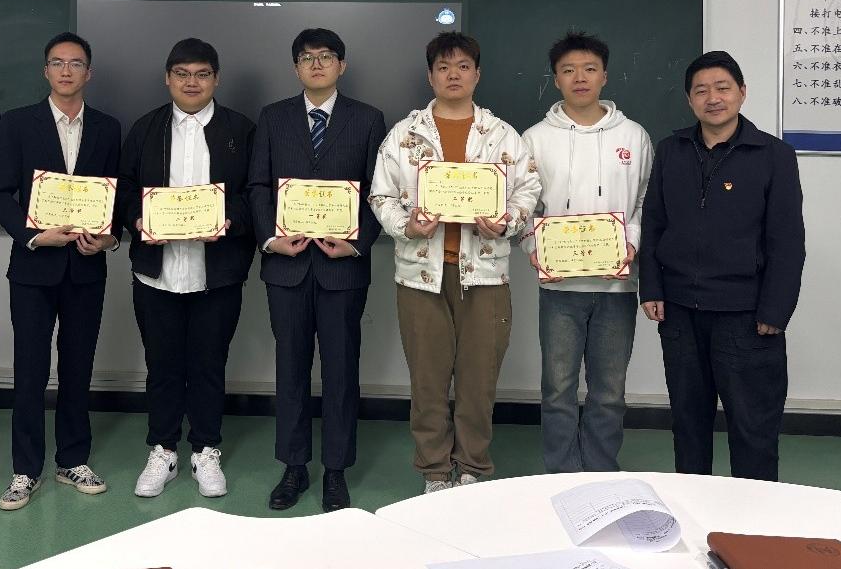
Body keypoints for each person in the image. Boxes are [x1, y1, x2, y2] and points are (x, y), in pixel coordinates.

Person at [369, 31, 540, 494]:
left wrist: (506, 221)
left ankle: (472, 467)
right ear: (430, 76)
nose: (453, 75)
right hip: (420, 275)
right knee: (427, 380)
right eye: (443, 67)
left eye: (463, 66)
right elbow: (381, 195)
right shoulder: (405, 135)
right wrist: (407, 225)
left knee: (478, 380)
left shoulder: (502, 135)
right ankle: (434, 471)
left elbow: (528, 189)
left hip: (485, 275)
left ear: (477, 74)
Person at [638, 50, 805, 481]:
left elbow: (787, 241)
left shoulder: (774, 155)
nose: (713, 98)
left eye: (722, 88)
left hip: (745, 317)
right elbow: (653, 224)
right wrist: (651, 288)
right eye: (701, 91)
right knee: (688, 426)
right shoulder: (671, 151)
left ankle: (753, 516)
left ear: (742, 93)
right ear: (689, 100)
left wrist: (775, 311)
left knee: (753, 430)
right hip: (680, 313)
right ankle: (694, 510)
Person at [247, 28, 387, 512]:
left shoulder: (368, 119)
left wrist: (357, 243)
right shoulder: (273, 117)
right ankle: (293, 466)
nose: (317, 64)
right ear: (296, 67)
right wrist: (270, 239)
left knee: (342, 369)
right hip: (286, 266)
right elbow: (258, 186)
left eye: (327, 57)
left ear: (341, 65)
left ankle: (336, 470)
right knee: (290, 368)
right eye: (307, 58)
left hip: (341, 267)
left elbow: (379, 190)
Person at [0, 32, 123, 510]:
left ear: (89, 72)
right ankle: (25, 470)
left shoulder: (108, 128)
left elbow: (118, 197)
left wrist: (109, 238)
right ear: (45, 71)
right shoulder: (17, 123)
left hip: (86, 267)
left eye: (76, 63)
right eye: (58, 63)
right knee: (29, 371)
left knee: (78, 368)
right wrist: (32, 235)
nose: (66, 71)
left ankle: (73, 460)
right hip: (33, 268)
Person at [119, 38, 255, 499]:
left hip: (217, 272)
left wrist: (229, 219)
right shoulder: (145, 128)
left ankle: (205, 449)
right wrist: (138, 219)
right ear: (167, 78)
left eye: (201, 74)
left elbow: (255, 194)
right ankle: (163, 450)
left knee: (209, 364)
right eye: (182, 74)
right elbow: (124, 189)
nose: (191, 82)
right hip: (156, 272)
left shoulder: (241, 129)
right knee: (161, 365)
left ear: (216, 79)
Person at [520, 32, 653, 473]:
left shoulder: (633, 136)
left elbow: (645, 202)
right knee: (557, 389)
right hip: (559, 287)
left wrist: (630, 242)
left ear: (604, 76)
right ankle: (561, 474)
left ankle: (600, 471)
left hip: (617, 285)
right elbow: (523, 205)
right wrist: (534, 245)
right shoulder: (535, 138)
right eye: (569, 70)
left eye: (589, 69)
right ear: (556, 79)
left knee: (609, 391)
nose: (580, 78)